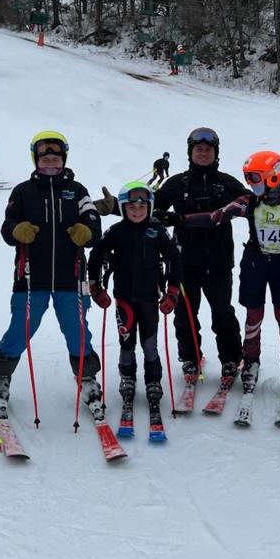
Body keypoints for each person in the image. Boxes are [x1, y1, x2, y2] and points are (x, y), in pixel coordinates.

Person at [0, 131, 103, 418]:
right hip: (30, 277)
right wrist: (16, 230)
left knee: (77, 331)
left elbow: (94, 224)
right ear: (36, 159)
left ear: (64, 158)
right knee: (21, 329)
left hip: (71, 277)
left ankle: (87, 377)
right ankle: (1, 375)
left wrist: (87, 231)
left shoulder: (78, 191)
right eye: (45, 157)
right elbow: (7, 228)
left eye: (56, 157)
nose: (51, 161)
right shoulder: (23, 192)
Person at [153, 127, 251, 392]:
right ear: (191, 152)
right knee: (185, 313)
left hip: (219, 261)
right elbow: (146, 206)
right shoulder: (177, 183)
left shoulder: (227, 183)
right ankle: (190, 358)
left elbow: (253, 202)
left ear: (216, 153)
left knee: (222, 312)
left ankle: (231, 359)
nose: (203, 153)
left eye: (208, 149)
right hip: (184, 262)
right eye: (199, 149)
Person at [88, 181, 181, 439]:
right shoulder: (116, 231)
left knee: (150, 344)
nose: (137, 211)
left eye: (142, 207)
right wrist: (95, 288)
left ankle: (153, 381)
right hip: (124, 300)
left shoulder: (157, 231)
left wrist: (172, 291)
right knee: (127, 342)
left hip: (150, 299)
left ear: (149, 207)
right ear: (123, 208)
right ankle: (127, 378)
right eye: (131, 207)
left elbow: (174, 258)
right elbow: (96, 255)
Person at [233, 150, 280, 405]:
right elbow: (216, 216)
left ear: (273, 176)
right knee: (253, 316)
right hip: (255, 263)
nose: (250, 183)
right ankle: (250, 361)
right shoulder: (249, 201)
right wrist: (178, 219)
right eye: (247, 178)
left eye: (255, 177)